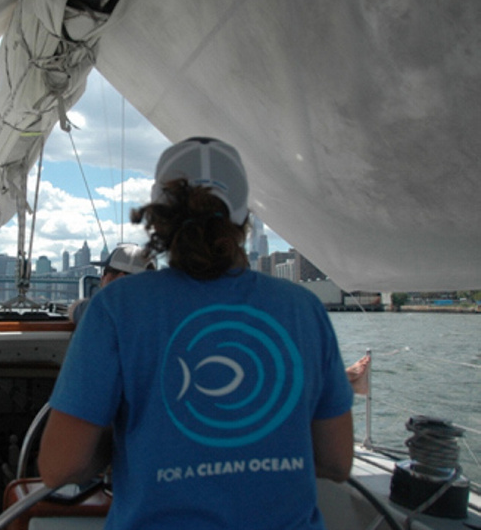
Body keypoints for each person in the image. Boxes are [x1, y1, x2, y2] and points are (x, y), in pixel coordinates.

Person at [39, 137, 354, 529]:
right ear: (243, 220)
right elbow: (338, 462)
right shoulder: (304, 309)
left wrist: (127, 447)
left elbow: (59, 466)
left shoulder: (116, 308)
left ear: (158, 220)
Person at [68, 243, 156, 324]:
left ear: (121, 280)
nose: (101, 278)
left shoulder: (110, 309)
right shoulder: (160, 310)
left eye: (105, 273)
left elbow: (75, 309)